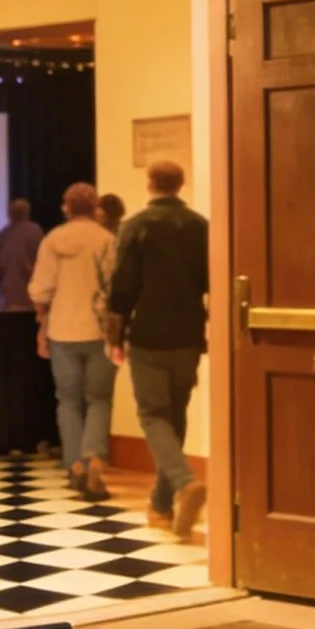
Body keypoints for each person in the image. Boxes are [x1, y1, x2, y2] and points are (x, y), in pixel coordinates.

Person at [107, 162, 210, 537]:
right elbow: (208, 280)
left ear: (150, 184)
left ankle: (183, 482)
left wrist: (114, 338)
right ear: (181, 185)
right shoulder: (200, 226)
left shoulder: (135, 226)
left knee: (152, 415)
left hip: (149, 333)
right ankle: (162, 505)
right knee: (175, 415)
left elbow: (122, 287)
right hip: (188, 333)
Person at [31, 184, 118, 502]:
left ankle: (76, 465)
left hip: (62, 330)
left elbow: (40, 291)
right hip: (99, 331)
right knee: (99, 399)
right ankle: (95, 456)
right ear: (96, 207)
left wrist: (42, 325)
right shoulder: (106, 240)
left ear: (66, 207)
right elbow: (115, 286)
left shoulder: (53, 240)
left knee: (67, 401)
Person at [0, 198, 44, 312]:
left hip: (8, 295)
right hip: (30, 295)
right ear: (27, 213)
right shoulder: (35, 231)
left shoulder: (4, 233)